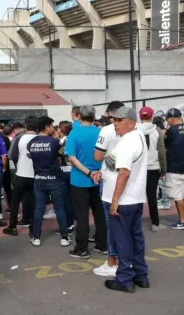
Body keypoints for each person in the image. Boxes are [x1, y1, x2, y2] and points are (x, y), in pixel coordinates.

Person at [103, 107, 149, 293]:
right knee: (135, 237)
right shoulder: (136, 137)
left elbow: (124, 173)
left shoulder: (128, 141)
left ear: (131, 122)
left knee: (122, 240)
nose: (115, 124)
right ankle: (140, 274)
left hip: (123, 200)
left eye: (119, 121)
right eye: (114, 120)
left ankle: (125, 279)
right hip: (134, 198)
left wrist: (115, 200)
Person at [65, 105, 107, 259]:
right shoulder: (101, 132)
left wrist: (88, 172)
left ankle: (81, 248)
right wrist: (97, 172)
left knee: (81, 215)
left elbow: (71, 157)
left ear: (79, 116)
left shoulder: (74, 133)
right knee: (100, 213)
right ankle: (103, 244)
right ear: (94, 117)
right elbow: (106, 155)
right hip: (99, 178)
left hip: (80, 180)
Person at [28, 116, 72, 247]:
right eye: (52, 126)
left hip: (39, 179)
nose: (53, 129)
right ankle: (64, 237)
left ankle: (36, 237)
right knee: (59, 208)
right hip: (54, 179)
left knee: (39, 209)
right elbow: (63, 154)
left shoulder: (31, 143)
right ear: (47, 126)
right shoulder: (55, 142)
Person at [93, 101, 124, 277]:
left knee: (111, 222)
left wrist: (104, 163)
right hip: (129, 181)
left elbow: (97, 155)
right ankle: (126, 259)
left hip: (112, 181)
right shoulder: (138, 131)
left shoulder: (107, 130)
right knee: (127, 223)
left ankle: (113, 260)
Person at [3, 116, 38, 237]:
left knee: (15, 200)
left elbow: (12, 155)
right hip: (35, 174)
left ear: (25, 126)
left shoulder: (19, 138)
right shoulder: (40, 138)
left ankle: (13, 225)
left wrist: (20, 162)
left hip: (21, 173)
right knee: (32, 201)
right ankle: (33, 228)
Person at [165, 108, 184, 230]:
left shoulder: (171, 131)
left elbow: (165, 144)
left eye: (168, 120)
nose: (167, 122)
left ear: (172, 119)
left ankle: (182, 221)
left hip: (174, 167)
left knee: (177, 195)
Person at [138, 106, 167, 231]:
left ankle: (135, 222)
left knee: (137, 195)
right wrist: (163, 168)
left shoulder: (135, 130)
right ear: (152, 116)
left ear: (140, 116)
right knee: (152, 196)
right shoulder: (157, 131)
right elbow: (161, 152)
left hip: (138, 167)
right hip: (153, 167)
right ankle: (155, 223)